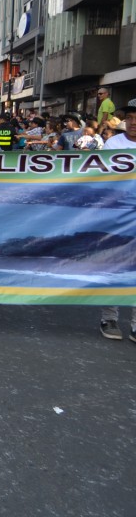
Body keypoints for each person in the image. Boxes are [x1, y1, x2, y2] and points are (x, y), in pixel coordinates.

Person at [98, 104, 136, 341]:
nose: (133, 123)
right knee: (114, 264)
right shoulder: (113, 145)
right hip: (118, 214)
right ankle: (109, 317)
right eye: (130, 118)